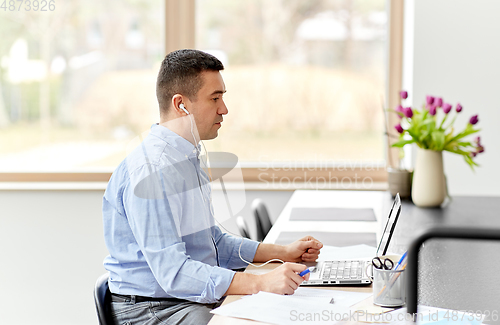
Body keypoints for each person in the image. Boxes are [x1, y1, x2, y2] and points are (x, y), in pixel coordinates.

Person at [102, 49, 323, 325]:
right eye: (215, 98)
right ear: (180, 104)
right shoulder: (154, 170)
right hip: (155, 310)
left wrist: (282, 252)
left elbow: (213, 243)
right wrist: (261, 282)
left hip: (181, 299)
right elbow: (174, 273)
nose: (224, 109)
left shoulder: (184, 156)